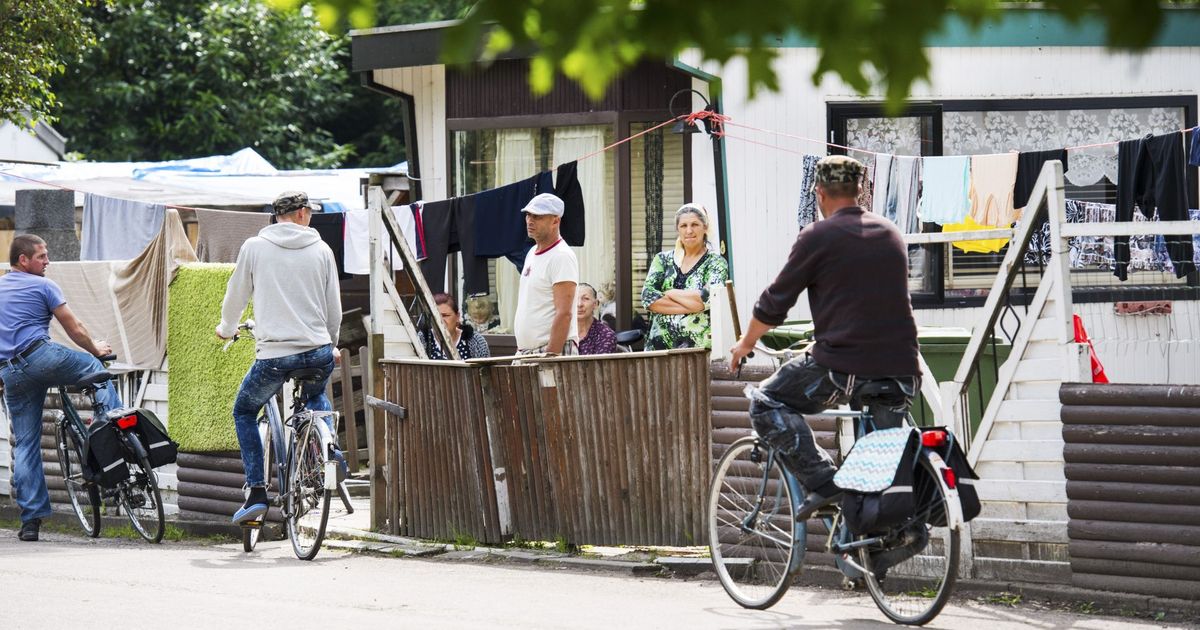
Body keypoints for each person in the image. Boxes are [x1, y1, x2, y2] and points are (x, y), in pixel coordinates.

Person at [728, 156, 921, 521]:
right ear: (861, 189)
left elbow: (775, 302)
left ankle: (826, 484)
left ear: (819, 192)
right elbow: (864, 301)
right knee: (880, 460)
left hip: (844, 366)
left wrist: (746, 343)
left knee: (765, 401)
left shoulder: (818, 236)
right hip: (902, 369)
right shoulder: (890, 231)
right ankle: (878, 539)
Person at [216, 191, 343, 525]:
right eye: (310, 212)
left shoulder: (254, 248)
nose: (311, 216)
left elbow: (235, 295)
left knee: (244, 410)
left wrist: (226, 328)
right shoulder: (322, 250)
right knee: (315, 396)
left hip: (274, 356)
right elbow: (334, 309)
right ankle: (329, 452)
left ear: (277, 215)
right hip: (317, 349)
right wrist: (332, 343)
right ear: (301, 213)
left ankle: (257, 491)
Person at [1, 235, 121, 542]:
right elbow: (74, 327)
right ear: (23, 260)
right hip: (41, 356)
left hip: (11, 372)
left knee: (25, 443)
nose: (47, 261)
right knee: (95, 369)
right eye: (41, 256)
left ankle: (31, 522)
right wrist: (96, 349)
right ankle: (114, 431)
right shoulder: (44, 286)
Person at [641, 203, 729, 350]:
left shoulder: (716, 262)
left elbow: (707, 300)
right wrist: (693, 304)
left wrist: (670, 293)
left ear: (705, 227)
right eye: (683, 226)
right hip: (658, 349)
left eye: (695, 224)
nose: (689, 230)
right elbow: (647, 297)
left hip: (697, 349)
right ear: (678, 229)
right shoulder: (662, 259)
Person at [513, 193, 578, 355]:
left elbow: (564, 313)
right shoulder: (531, 253)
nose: (530, 220)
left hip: (549, 352)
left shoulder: (561, 256)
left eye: (537, 216)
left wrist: (550, 356)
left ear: (555, 220)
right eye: (528, 215)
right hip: (527, 352)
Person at [420, 293, 490, 360]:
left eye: (445, 315)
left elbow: (485, 371)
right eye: (436, 316)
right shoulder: (423, 339)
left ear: (457, 316)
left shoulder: (475, 341)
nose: (440, 321)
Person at [575, 283, 616, 355]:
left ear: (596, 304)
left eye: (585, 299)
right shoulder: (562, 333)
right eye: (574, 299)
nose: (579, 304)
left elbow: (600, 365)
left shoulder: (605, 335)